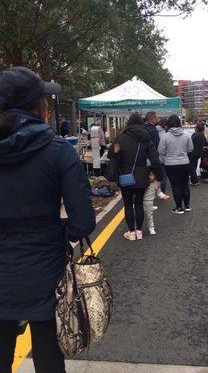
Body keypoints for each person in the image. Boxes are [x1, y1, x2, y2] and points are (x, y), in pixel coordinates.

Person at [0, 66, 95, 373]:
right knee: (49, 357)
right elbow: (82, 221)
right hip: (44, 269)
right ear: (37, 105)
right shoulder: (57, 150)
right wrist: (57, 231)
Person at [110, 113, 162, 241]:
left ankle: (131, 232)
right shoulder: (146, 137)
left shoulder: (121, 137)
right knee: (138, 203)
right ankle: (139, 231)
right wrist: (158, 175)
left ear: (128, 123)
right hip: (141, 175)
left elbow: (111, 153)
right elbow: (155, 159)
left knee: (128, 205)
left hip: (125, 175)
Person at [158, 115, 193, 214]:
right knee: (184, 185)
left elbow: (160, 151)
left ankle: (178, 207)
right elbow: (191, 148)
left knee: (175, 186)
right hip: (184, 162)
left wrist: (169, 153)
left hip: (170, 164)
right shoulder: (186, 135)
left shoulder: (165, 136)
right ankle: (187, 205)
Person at [143, 168, 170, 235]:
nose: (150, 177)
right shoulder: (143, 182)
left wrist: (163, 196)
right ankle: (137, 228)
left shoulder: (156, 183)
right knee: (139, 215)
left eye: (152, 175)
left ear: (155, 176)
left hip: (149, 202)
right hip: (140, 201)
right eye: (149, 175)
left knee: (149, 216)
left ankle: (151, 228)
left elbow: (158, 192)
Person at [156, 118, 168, 193]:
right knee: (164, 176)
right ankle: (162, 192)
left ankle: (154, 191)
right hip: (163, 158)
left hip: (154, 158)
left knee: (155, 176)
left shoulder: (153, 131)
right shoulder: (165, 135)